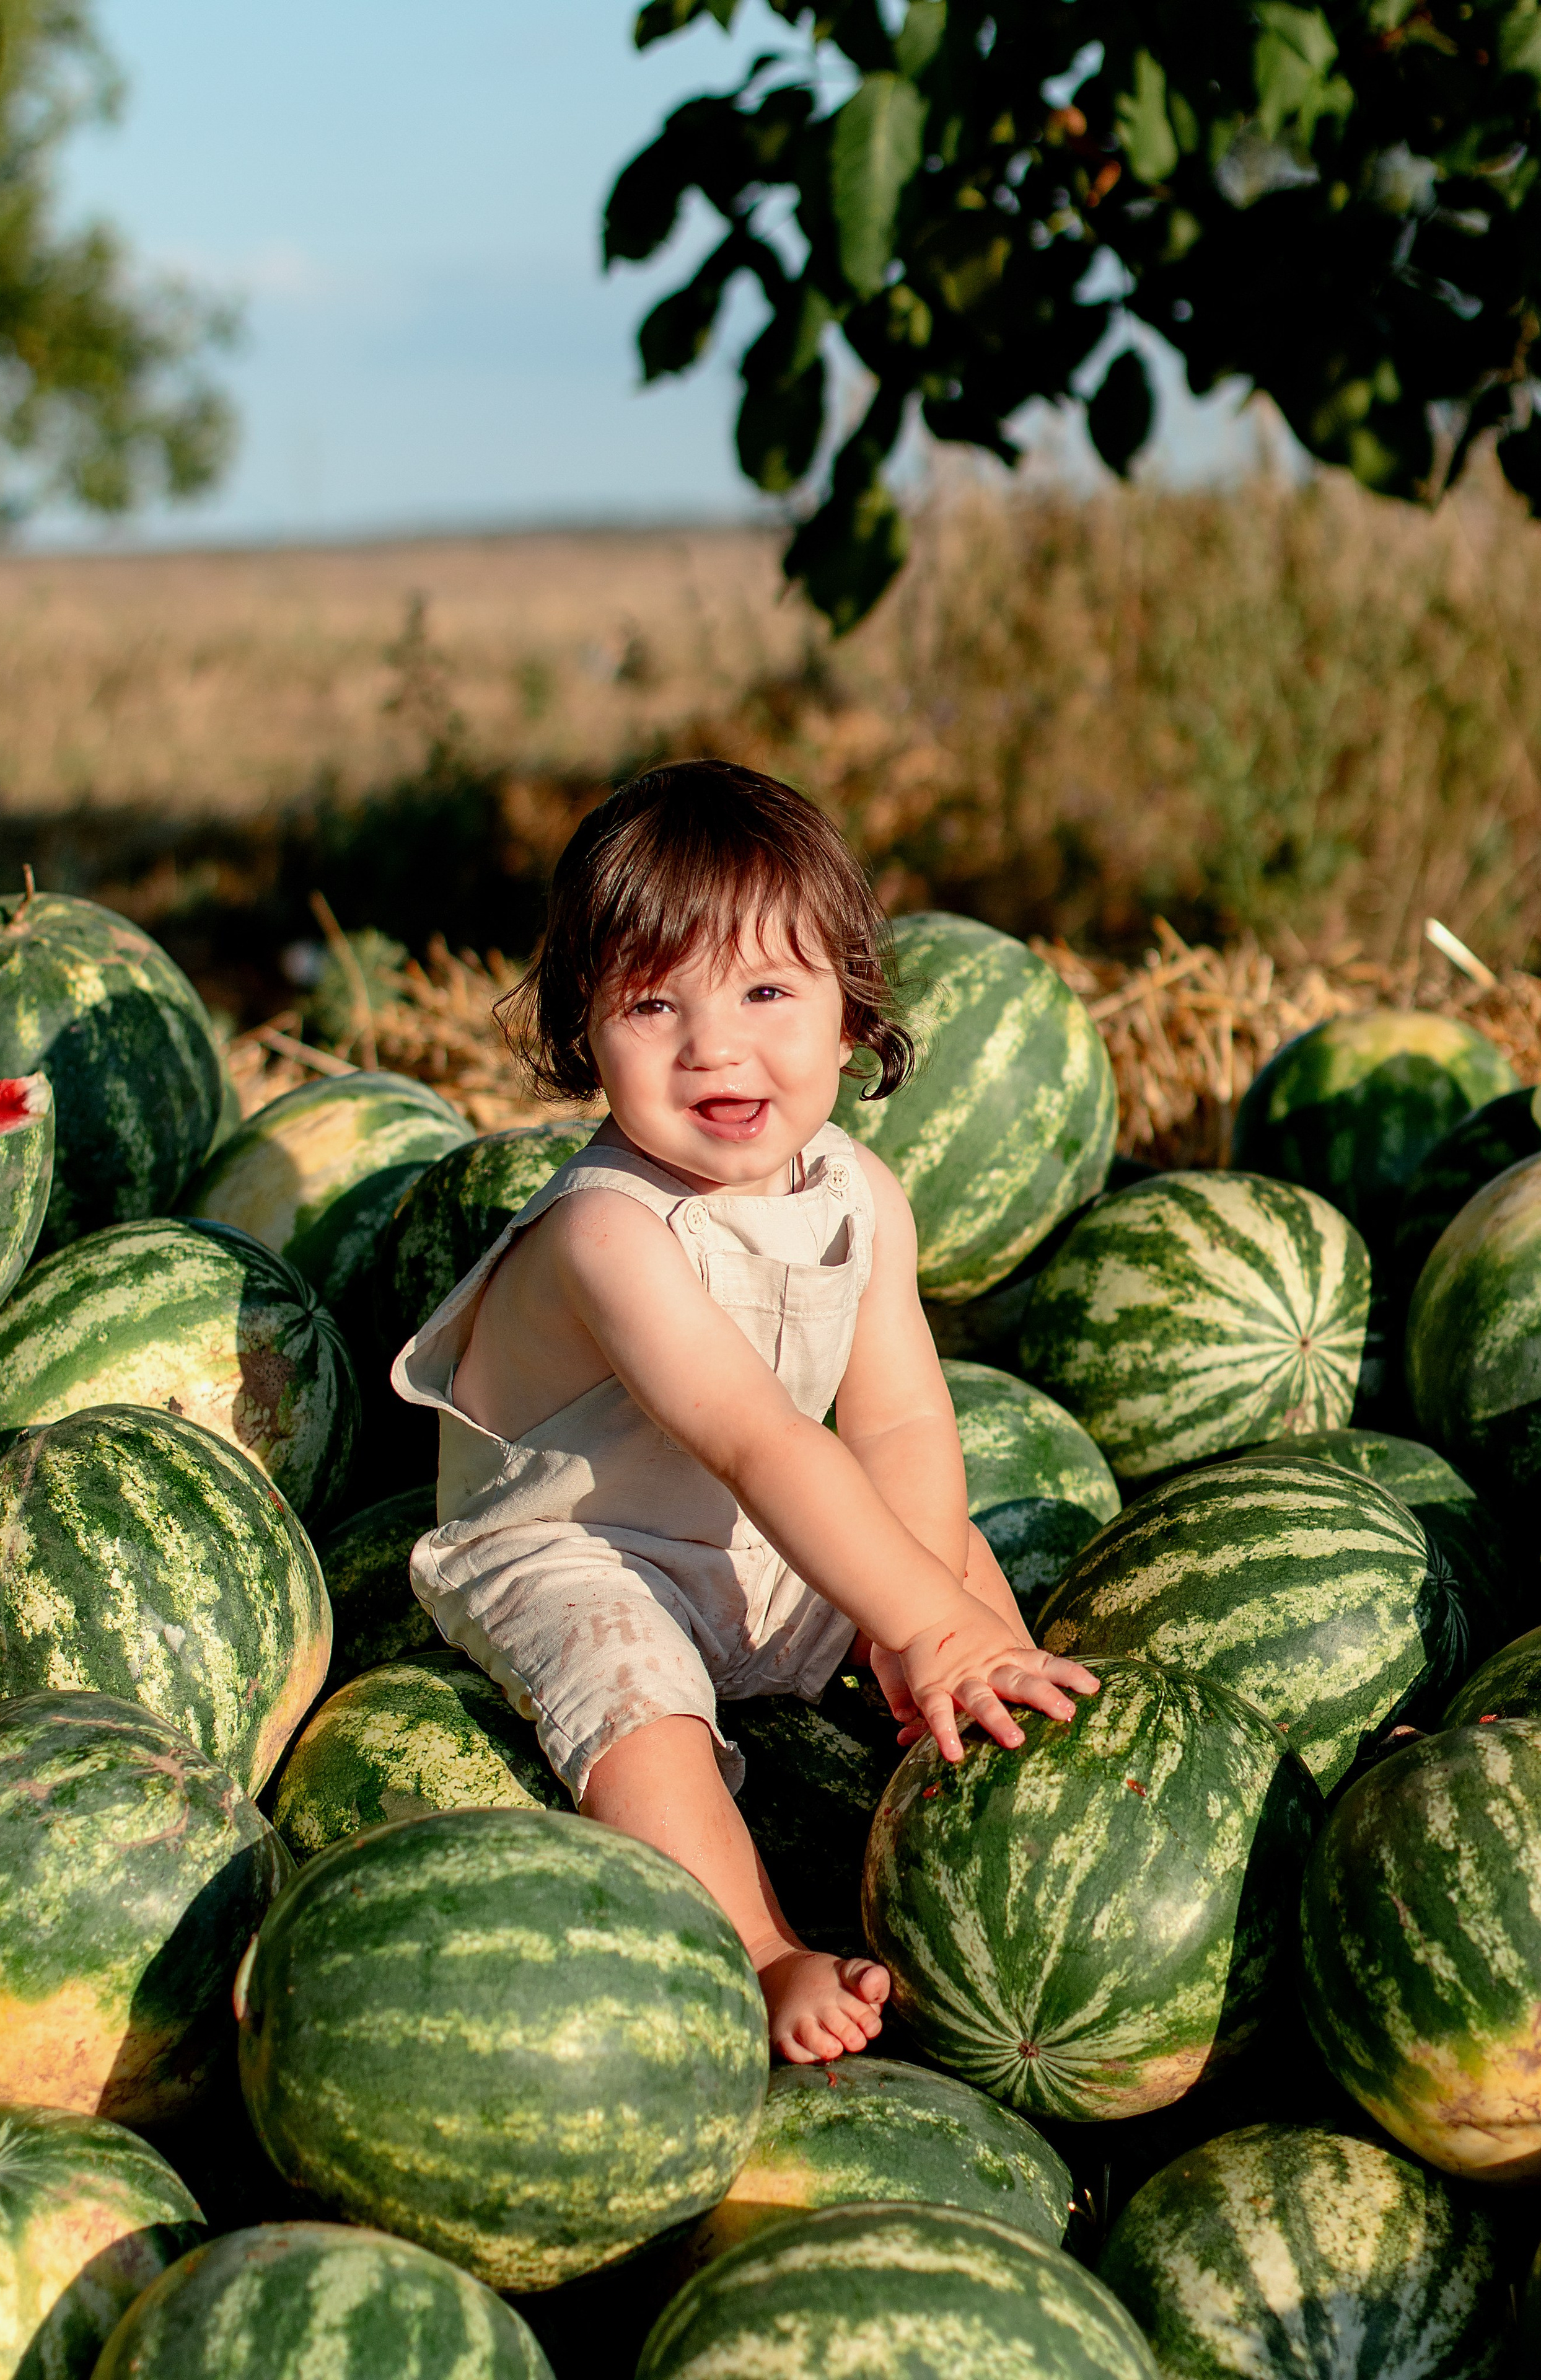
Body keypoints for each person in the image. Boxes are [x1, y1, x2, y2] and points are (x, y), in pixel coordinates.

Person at [392, 760, 1098, 2062]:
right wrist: (908, 1613)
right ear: (579, 1035)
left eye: (767, 991)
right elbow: (762, 1440)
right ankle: (758, 1947)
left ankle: (1008, 1806)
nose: (713, 1046)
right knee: (637, 1707)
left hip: (745, 1525)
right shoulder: (610, 1232)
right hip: (578, 1547)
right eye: (652, 1003)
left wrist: (939, 1615)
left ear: (848, 1016)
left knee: (949, 1556)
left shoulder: (860, 1195)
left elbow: (891, 1426)